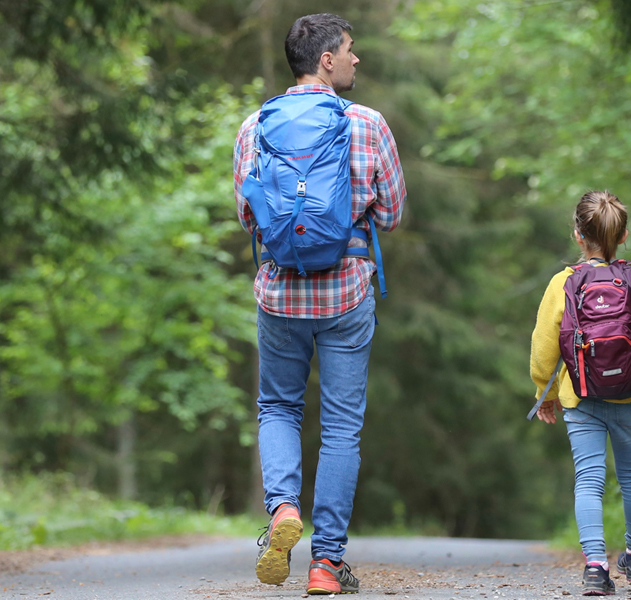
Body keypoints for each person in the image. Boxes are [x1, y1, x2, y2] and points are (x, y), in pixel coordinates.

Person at [232, 13, 406, 596]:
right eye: (350, 51)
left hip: (279, 293)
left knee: (278, 408)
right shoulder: (367, 123)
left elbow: (247, 215)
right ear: (325, 60)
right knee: (340, 428)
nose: (357, 60)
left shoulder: (255, 126)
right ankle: (326, 564)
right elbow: (393, 213)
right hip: (346, 292)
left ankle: (282, 509)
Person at [530, 191, 631, 596]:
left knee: (589, 480)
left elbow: (543, 350)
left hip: (581, 399)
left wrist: (543, 394)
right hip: (630, 398)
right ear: (624, 235)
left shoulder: (563, 282)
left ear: (577, 235)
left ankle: (596, 566)